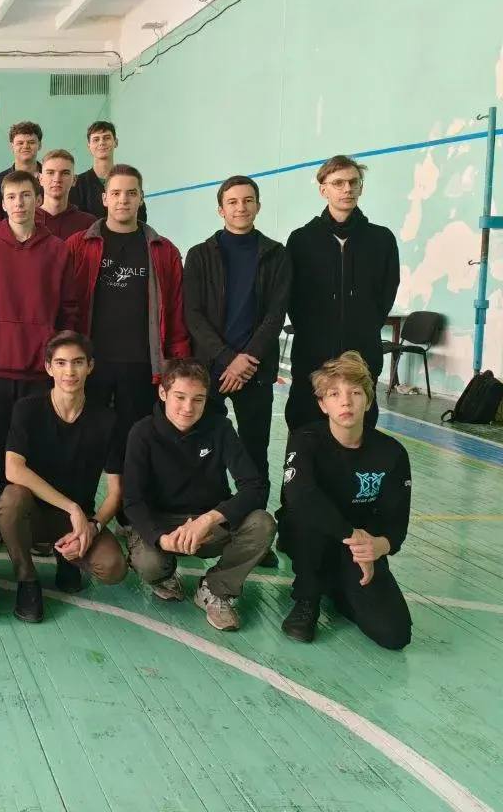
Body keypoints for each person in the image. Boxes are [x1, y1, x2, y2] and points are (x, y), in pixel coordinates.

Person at [122, 358, 275, 632]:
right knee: (149, 563)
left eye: (198, 399)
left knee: (262, 523)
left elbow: (254, 486)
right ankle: (164, 577)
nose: (188, 408)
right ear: (163, 393)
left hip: (208, 524)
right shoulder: (142, 433)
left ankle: (215, 589)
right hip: (163, 522)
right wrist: (161, 538)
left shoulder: (220, 428)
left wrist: (208, 519)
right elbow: (132, 501)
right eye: (180, 397)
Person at [278, 352, 412, 649]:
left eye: (355, 393)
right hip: (315, 537)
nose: (346, 402)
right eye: (334, 394)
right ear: (322, 404)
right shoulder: (306, 440)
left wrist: (378, 547)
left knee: (394, 634)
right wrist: (353, 535)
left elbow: (397, 522)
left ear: (369, 401)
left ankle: (338, 587)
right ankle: (307, 598)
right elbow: (300, 497)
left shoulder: (392, 453)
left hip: (359, 549)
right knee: (308, 516)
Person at [0, 170, 80, 487]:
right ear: (3, 203)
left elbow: (69, 312)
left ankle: (33, 511)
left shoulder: (57, 250)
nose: (19, 203)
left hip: (40, 371)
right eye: (11, 197)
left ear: (38, 199)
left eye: (25, 195)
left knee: (37, 449)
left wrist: (60, 363)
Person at [0, 332, 128, 622]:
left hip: (76, 523)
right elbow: (13, 469)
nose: (69, 371)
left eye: (78, 362)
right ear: (48, 368)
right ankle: (27, 580)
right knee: (12, 498)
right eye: (61, 363)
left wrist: (93, 527)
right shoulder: (28, 409)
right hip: (33, 515)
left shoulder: (106, 420)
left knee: (113, 567)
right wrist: (72, 507)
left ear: (90, 367)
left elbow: (115, 492)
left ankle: (67, 557)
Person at [68, 164, 187, 455]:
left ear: (141, 198)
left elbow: (175, 310)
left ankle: (129, 488)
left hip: (141, 366)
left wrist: (177, 362)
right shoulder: (78, 246)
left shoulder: (164, 250)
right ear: (104, 198)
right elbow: (64, 304)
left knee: (135, 446)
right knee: (85, 445)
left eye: (131, 193)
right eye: (116, 193)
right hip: (90, 364)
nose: (123, 200)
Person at [183, 175, 291, 484]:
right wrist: (228, 358)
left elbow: (276, 314)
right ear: (221, 210)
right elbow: (193, 314)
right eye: (232, 202)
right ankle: (209, 507)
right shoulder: (200, 255)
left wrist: (246, 360)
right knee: (203, 450)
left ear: (258, 206)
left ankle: (253, 510)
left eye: (247, 201)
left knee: (255, 451)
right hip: (209, 369)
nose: (240, 207)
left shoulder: (277, 255)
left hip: (255, 370)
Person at [285, 155, 399, 431]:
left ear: (361, 187)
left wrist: (363, 325)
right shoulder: (301, 240)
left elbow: (386, 292)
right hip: (312, 353)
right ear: (323, 190)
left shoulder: (381, 239)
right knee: (305, 424)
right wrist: (313, 331)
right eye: (338, 183)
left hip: (363, 351)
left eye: (353, 182)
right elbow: (292, 296)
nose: (347, 189)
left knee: (360, 429)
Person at [72, 121, 147, 222]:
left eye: (106, 138)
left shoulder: (129, 181)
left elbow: (141, 218)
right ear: (88, 146)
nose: (101, 143)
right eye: (96, 139)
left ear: (116, 142)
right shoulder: (78, 184)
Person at [34, 148, 96, 239]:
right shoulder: (26, 220)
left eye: (65, 173)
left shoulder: (88, 223)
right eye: (50, 173)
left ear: (74, 180)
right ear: (40, 179)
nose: (57, 179)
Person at [0, 120, 42, 201]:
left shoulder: (53, 177)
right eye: (20, 143)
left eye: (31, 142)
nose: (26, 146)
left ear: (40, 145)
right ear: (12, 147)